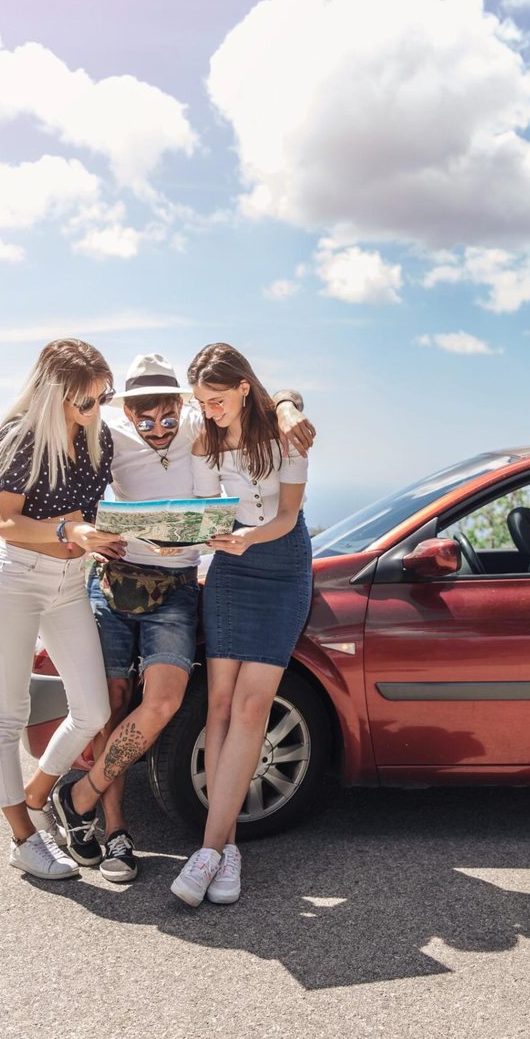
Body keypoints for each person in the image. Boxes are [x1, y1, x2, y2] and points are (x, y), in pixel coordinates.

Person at [47, 353, 315, 884]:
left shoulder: (212, 424)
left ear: (183, 404)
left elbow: (274, 404)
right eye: (144, 418)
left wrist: (286, 406)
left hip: (209, 579)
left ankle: (200, 845)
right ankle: (126, 831)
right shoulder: (122, 435)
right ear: (128, 411)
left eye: (169, 415)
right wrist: (86, 536)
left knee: (191, 703)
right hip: (129, 578)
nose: (157, 427)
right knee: (126, 702)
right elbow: (74, 487)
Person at [0, 338, 125, 880]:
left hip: (68, 581)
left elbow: (94, 512)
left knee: (92, 709)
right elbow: (7, 522)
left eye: (102, 398)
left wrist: (113, 535)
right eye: (85, 401)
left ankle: (38, 793)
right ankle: (23, 837)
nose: (95, 410)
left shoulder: (98, 439)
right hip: (13, 576)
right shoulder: (21, 438)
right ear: (53, 395)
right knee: (8, 715)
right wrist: (70, 529)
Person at [171, 343, 312, 907]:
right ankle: (227, 852)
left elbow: (287, 517)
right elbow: (210, 509)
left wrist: (288, 405)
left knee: (253, 708)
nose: (209, 410)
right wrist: (208, 534)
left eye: (219, 399)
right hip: (230, 570)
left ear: (244, 389)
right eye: (202, 401)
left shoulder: (287, 436)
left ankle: (207, 852)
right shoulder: (202, 434)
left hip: (279, 567)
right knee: (219, 707)